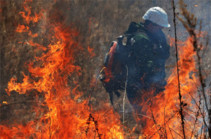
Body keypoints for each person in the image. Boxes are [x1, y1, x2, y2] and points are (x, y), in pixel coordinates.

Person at [125, 7, 170, 113]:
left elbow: (165, 54)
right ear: (150, 24)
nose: (161, 31)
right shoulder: (141, 39)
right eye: (159, 28)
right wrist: (157, 80)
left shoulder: (153, 37)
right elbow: (147, 66)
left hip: (151, 87)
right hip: (139, 89)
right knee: (148, 121)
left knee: (158, 120)